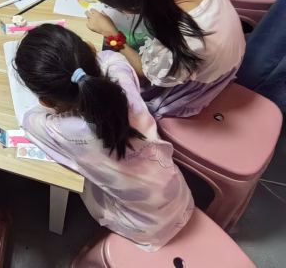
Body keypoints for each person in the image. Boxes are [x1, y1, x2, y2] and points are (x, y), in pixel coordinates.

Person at [13, 24, 194, 251]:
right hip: (180, 197)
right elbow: (110, 58)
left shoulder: (63, 129)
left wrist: (52, 106)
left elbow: (29, 120)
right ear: (91, 49)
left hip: (145, 228)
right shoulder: (123, 82)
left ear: (46, 102)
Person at [86, 0, 245, 119]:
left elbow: (146, 72)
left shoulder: (178, 42)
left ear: (130, 9)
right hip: (229, 51)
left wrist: (113, 34)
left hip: (207, 76)